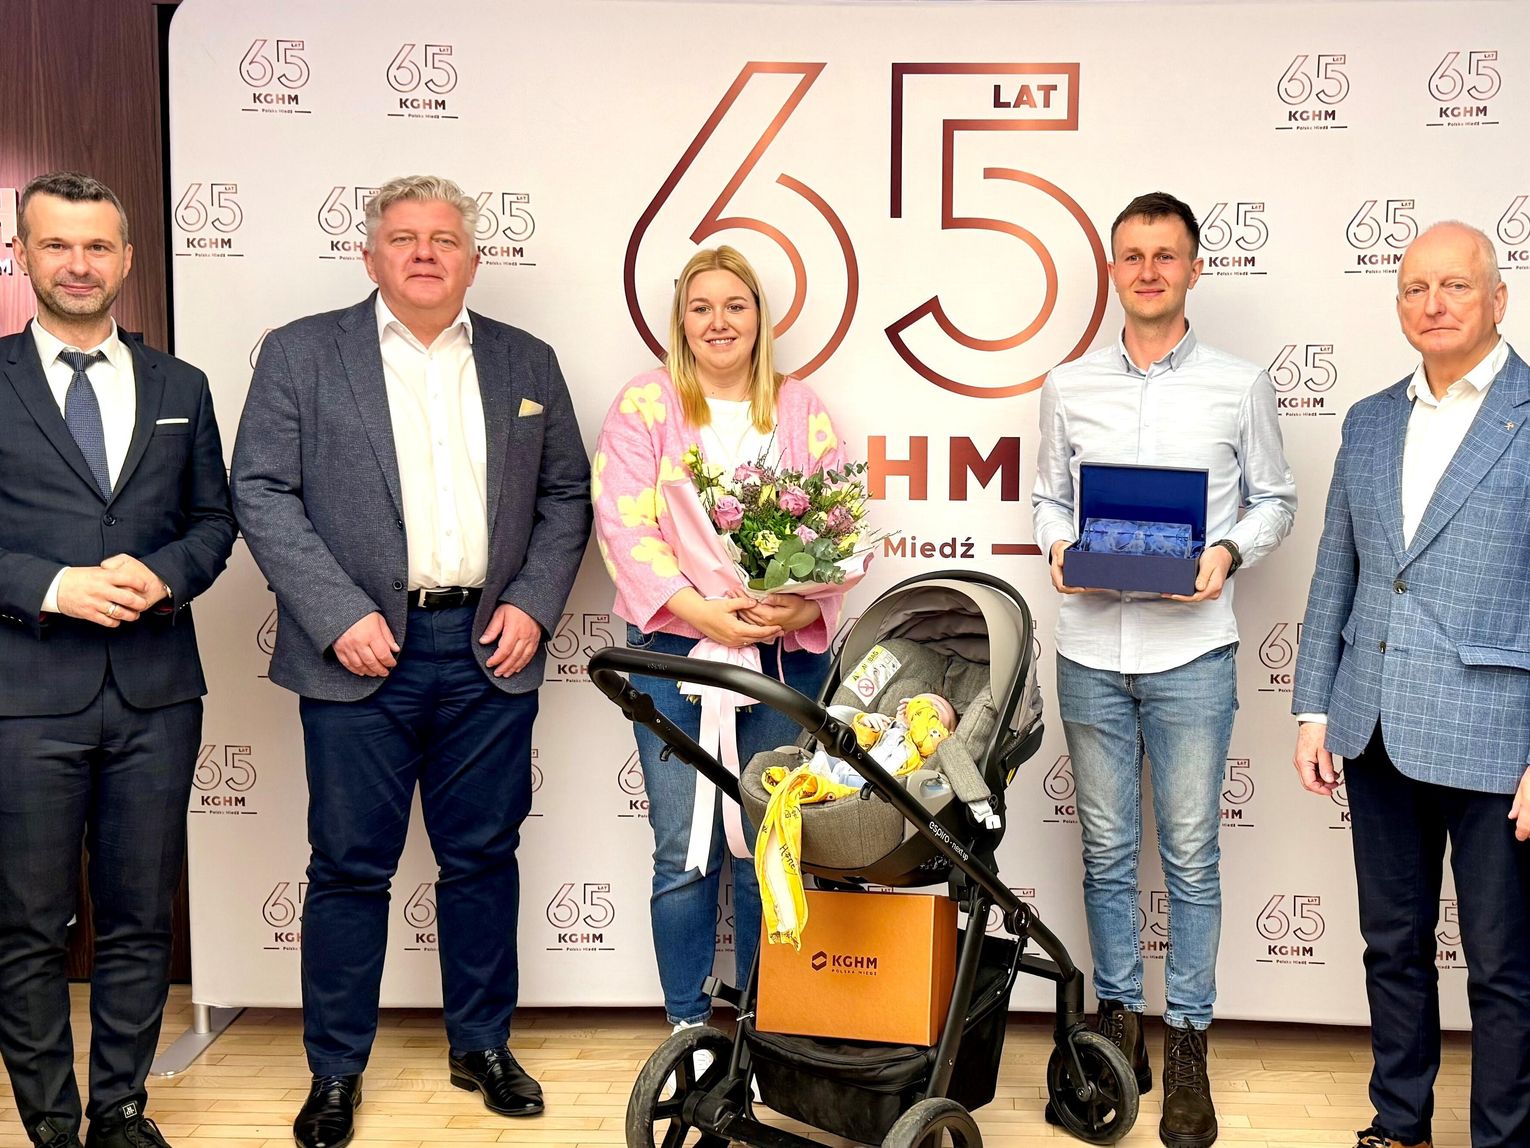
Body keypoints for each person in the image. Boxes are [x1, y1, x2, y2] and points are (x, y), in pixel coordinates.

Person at [230, 175, 590, 1148]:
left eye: (443, 238)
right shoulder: (303, 354)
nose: (424, 252)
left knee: (483, 859)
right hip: (358, 654)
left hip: (487, 649)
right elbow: (259, 489)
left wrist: (533, 602)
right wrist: (337, 612)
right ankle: (335, 1069)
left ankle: (482, 1044)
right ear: (370, 256)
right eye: (403, 237)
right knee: (349, 867)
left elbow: (566, 495)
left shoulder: (526, 359)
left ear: (473, 258)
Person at [1031, 191, 1296, 1148]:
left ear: (1193, 268)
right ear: (1114, 270)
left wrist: (1225, 552)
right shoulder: (1067, 386)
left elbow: (1276, 500)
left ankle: (1187, 1042)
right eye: (1133, 256)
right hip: (1091, 650)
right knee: (1105, 853)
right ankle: (1118, 1028)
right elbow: (1048, 500)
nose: (1149, 271)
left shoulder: (1240, 384)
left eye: (1166, 255)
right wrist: (1057, 547)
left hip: (1193, 653)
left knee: (1190, 856)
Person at [0, 172, 235, 1148]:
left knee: (141, 916)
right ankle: (52, 1125)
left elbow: (214, 520)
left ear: (128, 259)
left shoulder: (181, 385)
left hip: (156, 691)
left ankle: (122, 1111)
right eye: (57, 245)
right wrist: (52, 585)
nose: (78, 264)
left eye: (98, 246)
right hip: (25, 692)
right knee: (28, 924)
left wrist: (167, 573)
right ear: (22, 255)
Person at [1292, 221, 1530, 1148]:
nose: (1434, 304)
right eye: (1415, 288)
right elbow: (1337, 572)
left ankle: (1503, 1138)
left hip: (1496, 736)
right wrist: (1315, 705)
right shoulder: (1368, 419)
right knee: (1392, 946)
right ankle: (1400, 1123)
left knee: (1504, 966)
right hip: (1375, 724)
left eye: (1456, 286)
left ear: (1498, 299)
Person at [592, 245, 848, 1045]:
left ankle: (768, 1030)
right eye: (700, 308)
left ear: (760, 318)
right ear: (681, 322)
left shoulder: (800, 408)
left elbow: (838, 524)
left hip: (782, 654)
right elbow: (623, 523)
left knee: (769, 841)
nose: (718, 322)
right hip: (675, 656)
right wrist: (701, 612)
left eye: (735, 305)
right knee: (685, 844)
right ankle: (688, 1028)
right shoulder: (645, 404)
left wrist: (795, 602)